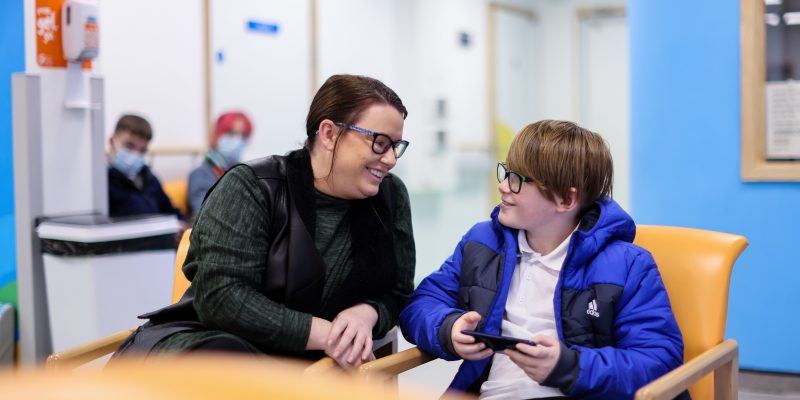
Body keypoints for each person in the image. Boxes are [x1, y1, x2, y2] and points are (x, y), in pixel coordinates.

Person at [113, 74, 415, 369]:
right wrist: (323, 333)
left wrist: (367, 313)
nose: (390, 159)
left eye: (396, 146)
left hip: (302, 362)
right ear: (329, 134)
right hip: (210, 346)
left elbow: (398, 291)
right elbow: (222, 299)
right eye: (379, 142)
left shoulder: (391, 197)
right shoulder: (252, 186)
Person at [399, 120, 686, 399]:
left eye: (517, 180)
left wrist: (569, 366)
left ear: (565, 200)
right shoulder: (482, 242)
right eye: (506, 172)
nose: (503, 186)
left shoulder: (628, 265)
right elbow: (420, 305)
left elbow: (658, 360)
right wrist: (449, 328)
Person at [108, 114, 186, 224]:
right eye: (129, 146)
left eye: (142, 150)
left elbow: (172, 212)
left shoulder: (150, 178)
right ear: (112, 142)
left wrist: (181, 225)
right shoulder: (101, 183)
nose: (135, 154)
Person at [188, 111, 253, 216]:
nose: (238, 140)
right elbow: (204, 215)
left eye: (244, 135)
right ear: (216, 136)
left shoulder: (245, 171)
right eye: (231, 133)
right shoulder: (200, 174)